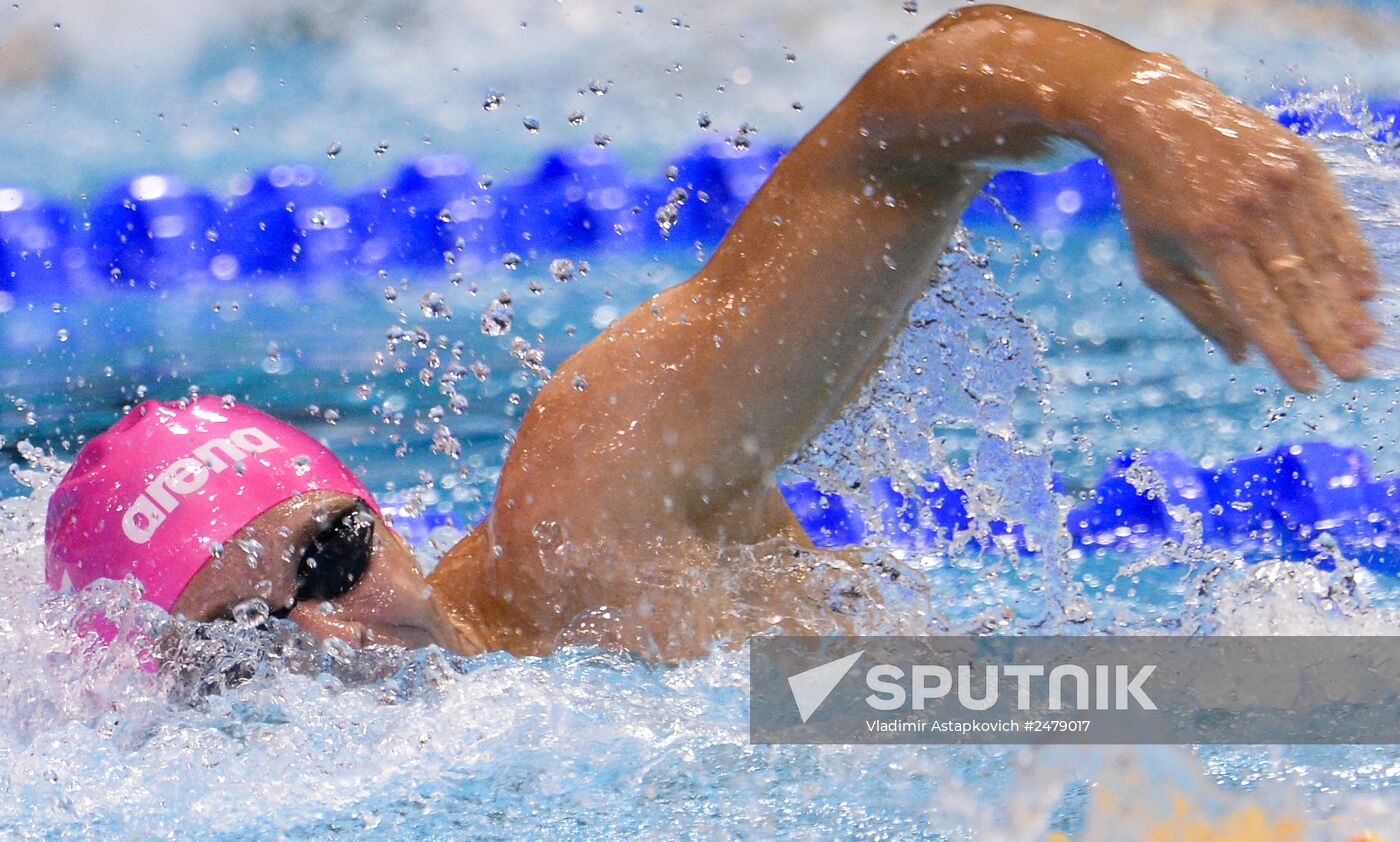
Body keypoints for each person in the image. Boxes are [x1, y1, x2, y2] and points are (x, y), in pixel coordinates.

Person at [45, 5, 1380, 662]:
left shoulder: (584, 516)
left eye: (330, 555)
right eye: (244, 641)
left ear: (376, 512)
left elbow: (895, 136)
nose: (331, 634)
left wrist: (1129, 103)